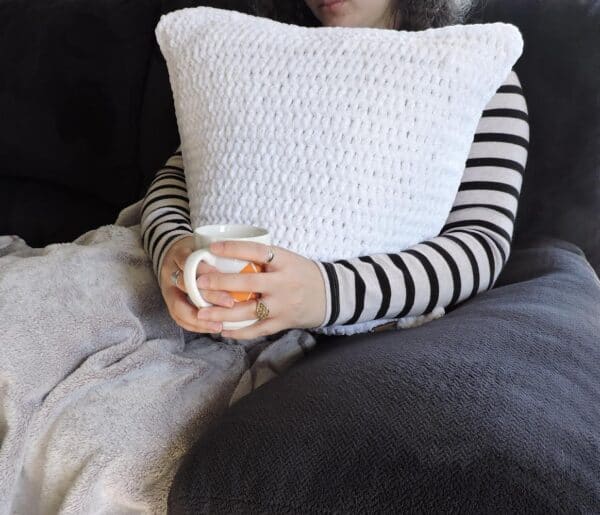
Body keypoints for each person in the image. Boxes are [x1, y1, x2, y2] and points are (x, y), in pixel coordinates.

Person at [140, 0, 529, 340]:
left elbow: (480, 243)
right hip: (210, 313)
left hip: (365, 338)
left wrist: (325, 293)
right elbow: (178, 179)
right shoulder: (259, 62)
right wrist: (172, 254)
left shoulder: (475, 70)